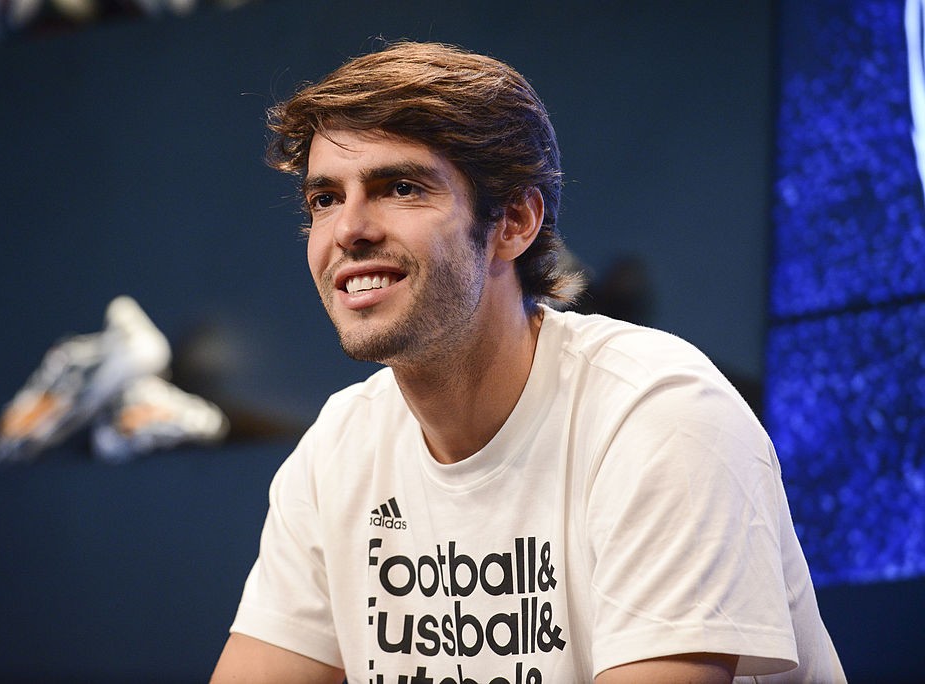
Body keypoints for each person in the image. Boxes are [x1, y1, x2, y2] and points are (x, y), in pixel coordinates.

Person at [210, 41, 845, 684]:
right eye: (325, 199)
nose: (348, 230)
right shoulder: (339, 449)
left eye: (400, 188)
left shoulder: (660, 414)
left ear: (515, 221)